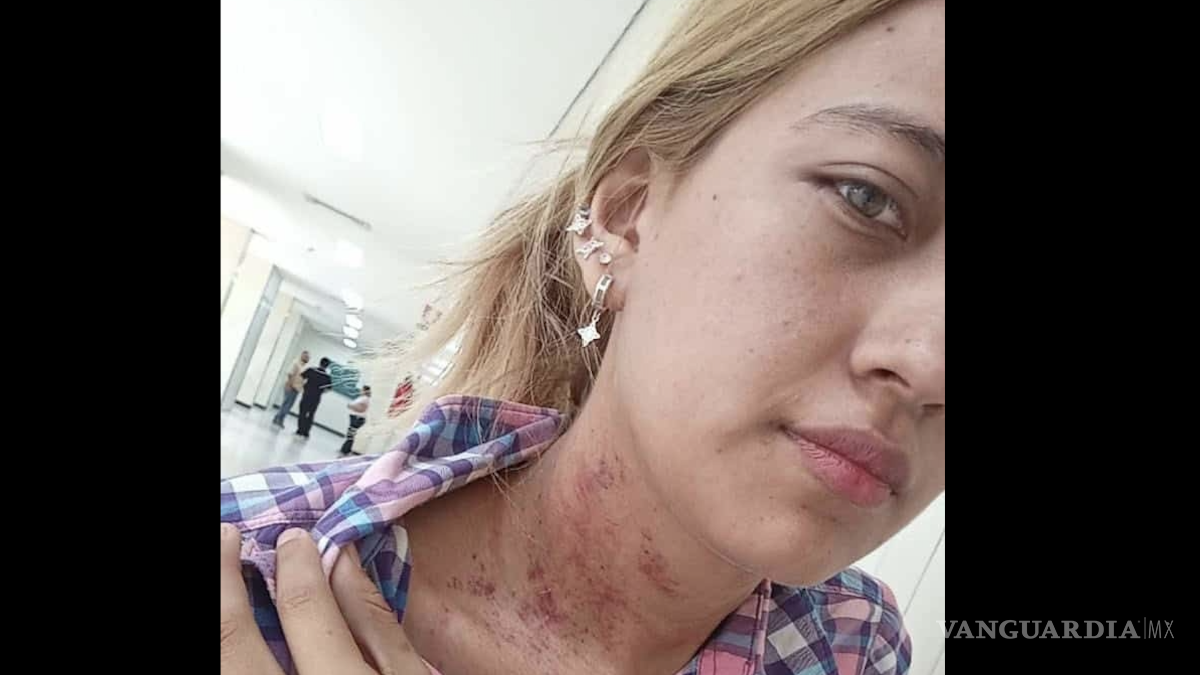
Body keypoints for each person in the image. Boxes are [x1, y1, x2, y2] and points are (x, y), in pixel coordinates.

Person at [220, 1, 945, 673]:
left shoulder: (853, 642)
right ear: (627, 217)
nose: (933, 368)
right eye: (868, 198)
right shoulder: (248, 585)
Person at [295, 357, 333, 438]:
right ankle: (306, 432)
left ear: (320, 363)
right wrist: (321, 392)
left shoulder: (311, 370)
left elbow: (301, 377)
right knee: (311, 414)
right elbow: (328, 389)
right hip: (316, 398)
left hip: (306, 395)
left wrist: (302, 387)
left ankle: (300, 430)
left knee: (302, 413)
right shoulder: (327, 377)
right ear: (327, 366)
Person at [271, 350, 309, 428]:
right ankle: (279, 419)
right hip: (291, 386)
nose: (307, 358)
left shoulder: (304, 367)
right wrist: (290, 384)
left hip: (297, 389)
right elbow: (290, 374)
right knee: (286, 404)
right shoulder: (296, 363)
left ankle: (277, 418)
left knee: (288, 405)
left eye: (308, 357)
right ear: (302, 356)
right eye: (306, 357)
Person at [339, 385, 371, 456]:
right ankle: (345, 449)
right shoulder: (362, 398)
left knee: (351, 435)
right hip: (355, 418)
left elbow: (361, 409)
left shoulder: (365, 399)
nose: (360, 391)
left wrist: (351, 406)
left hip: (358, 418)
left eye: (362, 390)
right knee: (350, 434)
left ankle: (345, 450)